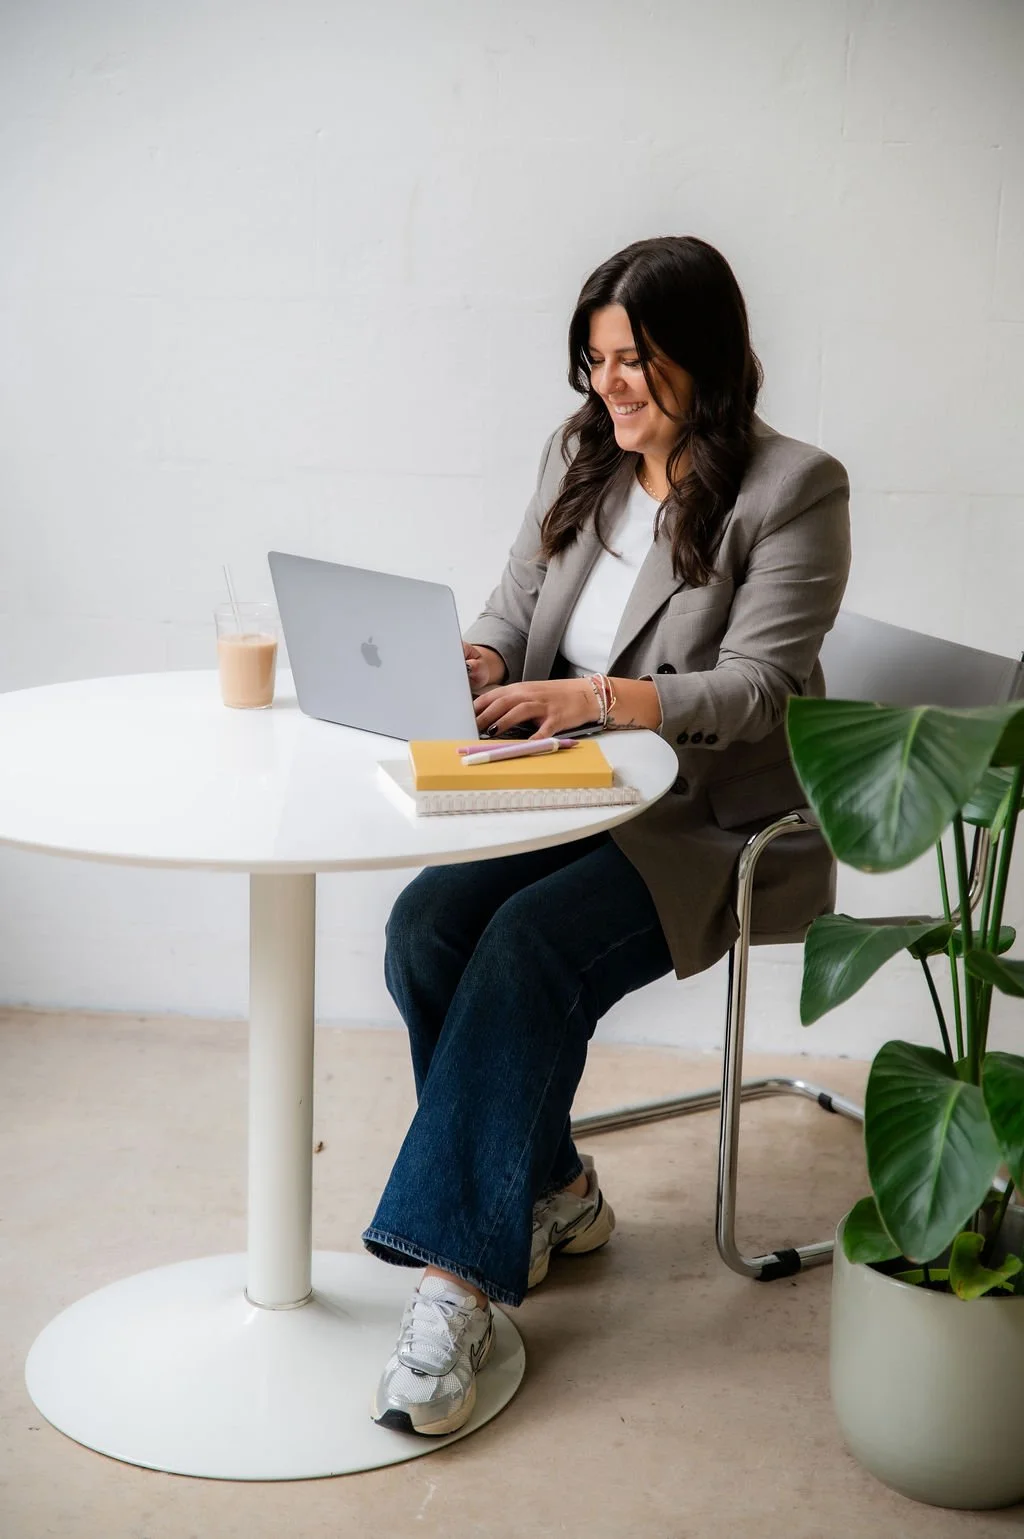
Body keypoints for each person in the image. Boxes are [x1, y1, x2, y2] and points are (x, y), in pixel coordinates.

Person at [363, 235, 851, 1436]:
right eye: (594, 360)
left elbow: (762, 692)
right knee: (427, 926)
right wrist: (476, 661)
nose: (610, 386)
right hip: (571, 786)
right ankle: (557, 1192)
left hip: (712, 819)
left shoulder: (791, 488)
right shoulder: (579, 452)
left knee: (526, 948)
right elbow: (515, 607)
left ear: (708, 355)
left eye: (634, 360)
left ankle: (455, 1285)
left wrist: (593, 700)